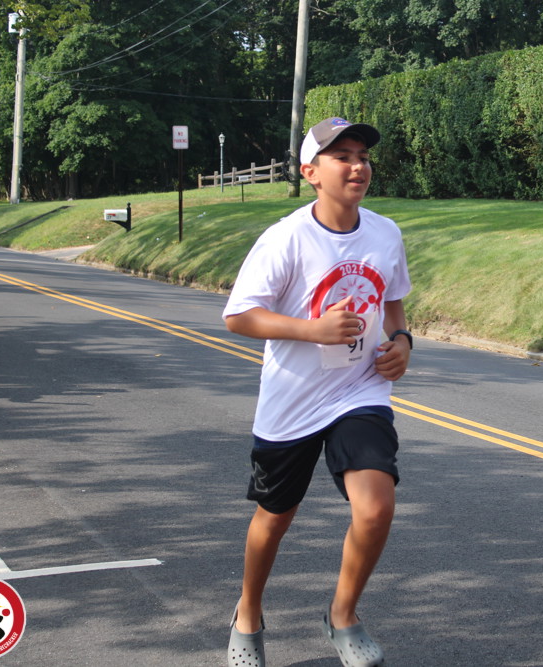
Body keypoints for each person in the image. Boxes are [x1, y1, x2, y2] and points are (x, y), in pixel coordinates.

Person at [222, 117, 412, 667]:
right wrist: (313, 330)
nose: (357, 166)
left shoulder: (385, 233)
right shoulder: (286, 238)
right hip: (293, 400)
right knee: (274, 517)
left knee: (375, 508)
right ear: (311, 172)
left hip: (360, 391)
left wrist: (402, 342)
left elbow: (393, 302)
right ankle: (248, 613)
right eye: (342, 157)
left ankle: (343, 615)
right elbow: (239, 315)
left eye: (363, 157)